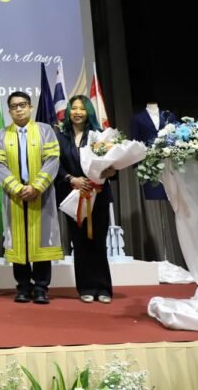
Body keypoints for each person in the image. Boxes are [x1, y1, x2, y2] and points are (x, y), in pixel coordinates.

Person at [0, 91, 62, 304]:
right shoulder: (1, 135)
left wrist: (37, 186)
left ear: (30, 107)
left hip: (41, 193)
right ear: (9, 110)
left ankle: (41, 287)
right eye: (14, 106)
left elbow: (52, 159)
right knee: (18, 241)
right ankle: (22, 286)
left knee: (41, 240)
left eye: (22, 105)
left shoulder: (45, 131)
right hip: (14, 196)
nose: (19, 109)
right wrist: (15, 187)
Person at [55, 95, 116, 304]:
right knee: (79, 243)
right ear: (69, 112)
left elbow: (112, 164)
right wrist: (71, 179)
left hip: (98, 194)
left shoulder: (99, 136)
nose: (78, 112)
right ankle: (86, 287)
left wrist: (109, 172)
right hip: (74, 195)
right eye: (74, 108)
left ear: (88, 111)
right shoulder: (59, 136)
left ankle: (103, 287)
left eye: (82, 108)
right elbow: (56, 165)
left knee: (98, 242)